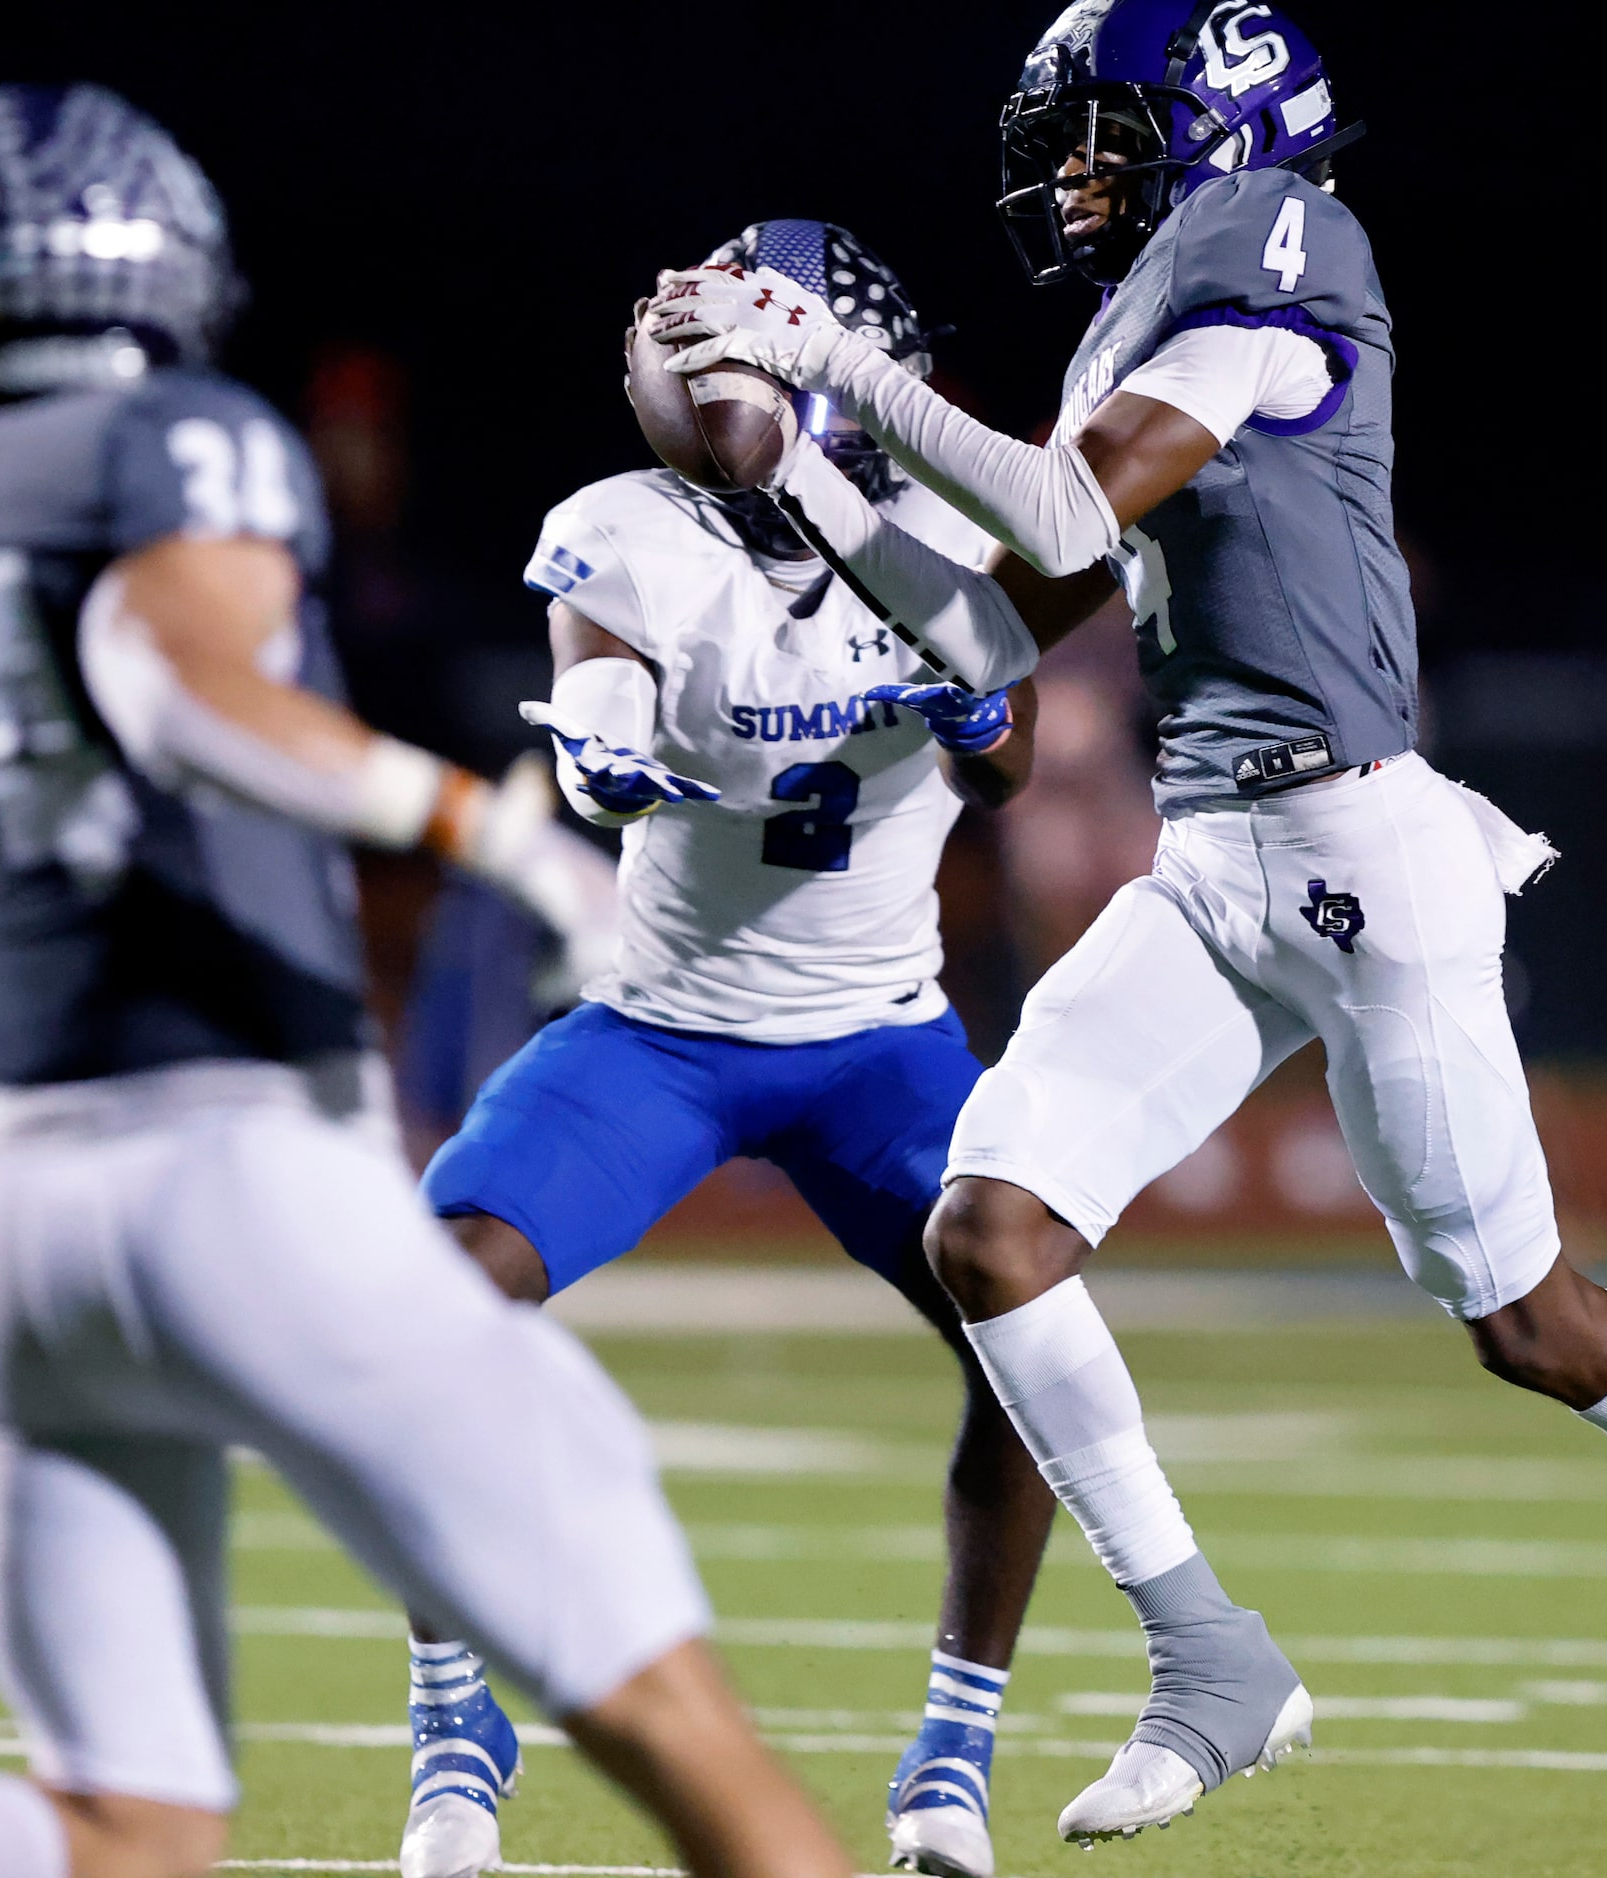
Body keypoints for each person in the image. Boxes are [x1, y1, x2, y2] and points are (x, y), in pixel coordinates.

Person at [640, 0, 1607, 1845]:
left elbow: (1068, 496)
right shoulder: (1146, 304)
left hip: (1359, 856)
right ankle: (1204, 1649)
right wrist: (810, 467)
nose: (1070, 174)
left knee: (1523, 1322)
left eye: (1100, 134)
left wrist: (831, 352)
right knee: (988, 1229)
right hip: (1214, 861)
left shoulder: (1276, 246)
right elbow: (1003, 629)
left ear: (1209, 124)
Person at [0, 84, 854, 1878]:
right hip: (240, 1159)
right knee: (683, 1730)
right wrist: (485, 831)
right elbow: (162, 668)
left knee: (129, 1832)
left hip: (19, 1217)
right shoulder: (182, 439)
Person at [398, 220, 1053, 1878]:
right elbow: (594, 691)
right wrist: (601, 753)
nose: (694, 386)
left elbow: (1010, 760)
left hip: (879, 1045)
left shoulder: (938, 519)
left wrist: (985, 707)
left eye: (732, 356)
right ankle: (453, 1713)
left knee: (1037, 1349)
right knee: (435, 1294)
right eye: (679, 359)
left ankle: (950, 1759)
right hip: (662, 1031)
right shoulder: (619, 528)